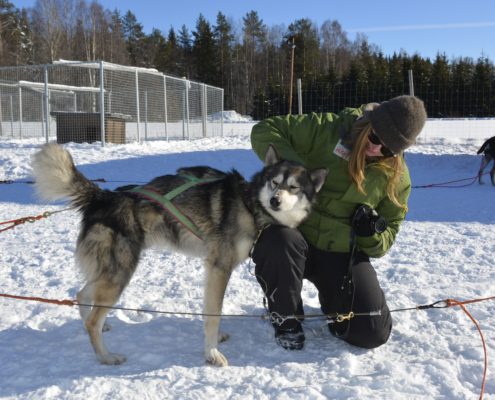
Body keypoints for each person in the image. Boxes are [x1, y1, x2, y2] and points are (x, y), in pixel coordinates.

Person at [250, 95, 427, 351]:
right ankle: (284, 313)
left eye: (389, 150)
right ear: (368, 123)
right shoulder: (328, 128)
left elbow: (386, 240)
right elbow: (264, 130)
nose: (377, 150)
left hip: (341, 253)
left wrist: (370, 233)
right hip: (295, 236)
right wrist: (294, 172)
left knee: (371, 333)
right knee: (278, 240)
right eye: (376, 138)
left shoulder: (396, 179)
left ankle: (335, 305)